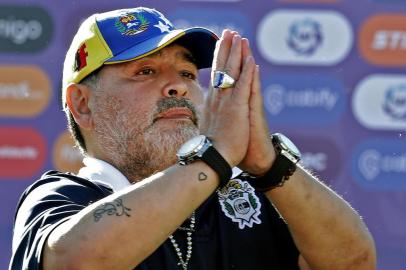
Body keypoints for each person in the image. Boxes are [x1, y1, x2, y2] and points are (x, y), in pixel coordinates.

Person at [9, 6, 376, 270]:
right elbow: (76, 262)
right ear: (83, 105)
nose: (177, 87)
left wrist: (269, 164)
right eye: (146, 71)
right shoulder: (63, 197)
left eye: (186, 73)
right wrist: (215, 158)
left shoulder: (250, 197)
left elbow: (354, 262)